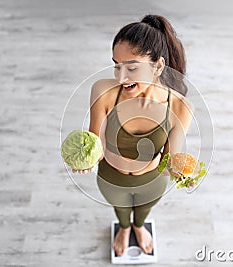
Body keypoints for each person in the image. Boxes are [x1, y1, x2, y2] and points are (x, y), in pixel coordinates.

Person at [72, 14, 193, 256]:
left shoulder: (179, 106)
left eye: (132, 67)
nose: (121, 77)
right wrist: (85, 159)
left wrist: (183, 172)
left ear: (158, 66)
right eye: (117, 65)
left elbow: (170, 159)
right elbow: (94, 141)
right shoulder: (103, 91)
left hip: (152, 182)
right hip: (111, 177)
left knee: (144, 209)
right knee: (120, 207)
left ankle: (138, 226)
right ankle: (125, 228)